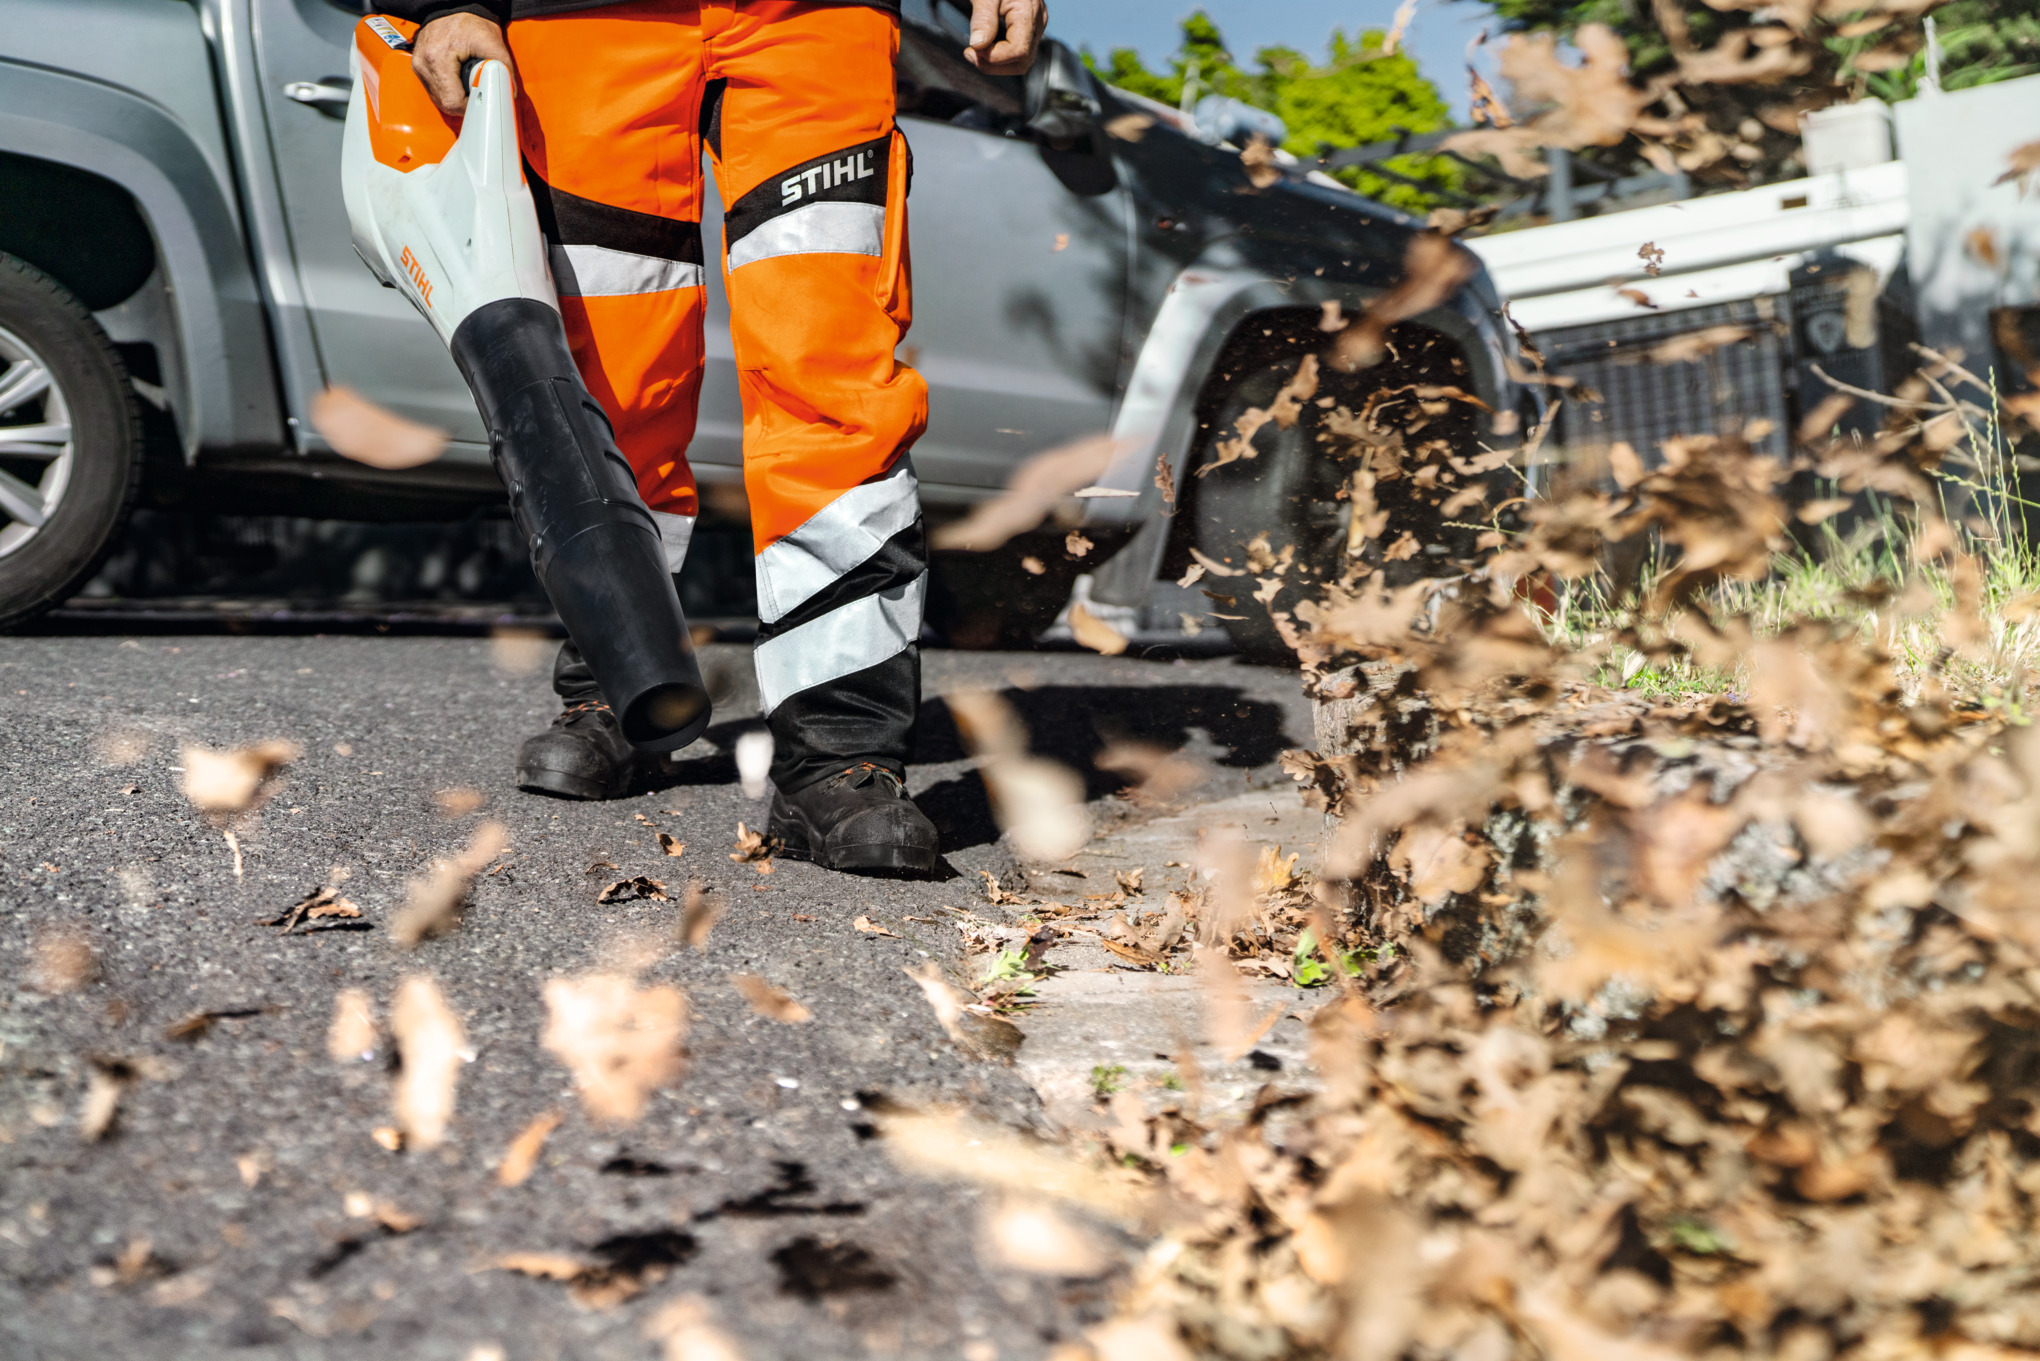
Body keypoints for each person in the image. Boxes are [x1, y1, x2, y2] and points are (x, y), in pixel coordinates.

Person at [380, 0, 1045, 875]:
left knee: (833, 373)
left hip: (811, 19)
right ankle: (623, 685)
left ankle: (841, 746)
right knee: (609, 375)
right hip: (585, 20)